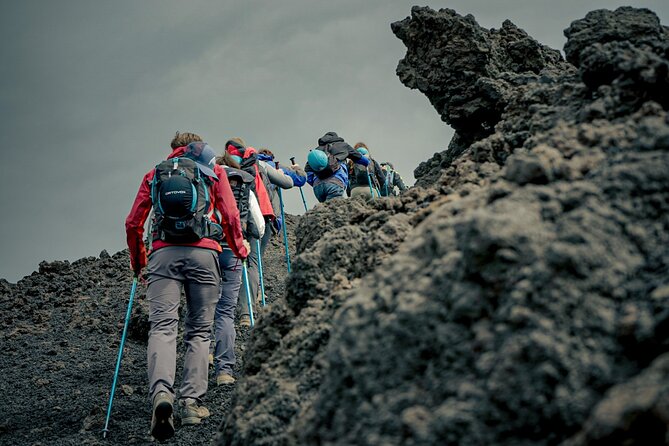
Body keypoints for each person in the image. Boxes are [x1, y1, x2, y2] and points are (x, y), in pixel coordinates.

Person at [125, 131, 249, 441]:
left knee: (163, 327)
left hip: (163, 255)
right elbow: (231, 215)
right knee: (199, 330)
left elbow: (133, 222)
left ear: (173, 151)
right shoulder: (213, 171)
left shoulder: (155, 174)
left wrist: (139, 262)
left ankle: (161, 395)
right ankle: (192, 403)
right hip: (204, 254)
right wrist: (241, 249)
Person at [209, 152, 263, 386]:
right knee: (226, 311)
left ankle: (207, 352)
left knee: (205, 306)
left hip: (208, 250)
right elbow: (259, 226)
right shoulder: (245, 187)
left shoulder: (207, 183)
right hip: (233, 250)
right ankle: (225, 371)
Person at [224, 139, 276, 327]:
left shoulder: (218, 172)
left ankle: (225, 311)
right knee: (252, 263)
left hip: (224, 228)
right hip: (254, 222)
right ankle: (247, 313)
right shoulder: (255, 167)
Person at [304, 131, 369, 202]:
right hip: (335, 183)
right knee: (333, 210)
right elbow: (359, 158)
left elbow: (308, 172)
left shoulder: (317, 150)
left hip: (317, 187)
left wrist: (315, 183)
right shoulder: (343, 145)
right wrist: (367, 161)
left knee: (323, 210)